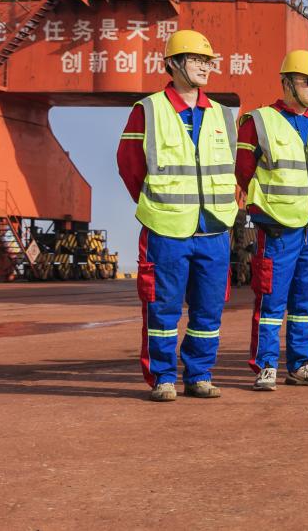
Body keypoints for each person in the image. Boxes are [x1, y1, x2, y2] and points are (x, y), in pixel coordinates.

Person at [116, 29, 239, 402]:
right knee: (162, 309)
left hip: (213, 229)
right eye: (197, 59)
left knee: (208, 311)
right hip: (166, 228)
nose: (205, 66)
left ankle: (199, 374)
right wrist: (157, 203)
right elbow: (130, 165)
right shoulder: (148, 110)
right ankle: (163, 377)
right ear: (173, 63)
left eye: (208, 61)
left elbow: (233, 167)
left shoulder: (223, 115)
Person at [235, 49, 308, 390]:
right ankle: (266, 365)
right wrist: (268, 209)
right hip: (279, 227)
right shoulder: (259, 121)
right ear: (286, 82)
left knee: (306, 301)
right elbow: (243, 172)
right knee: (271, 298)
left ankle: (302, 365)